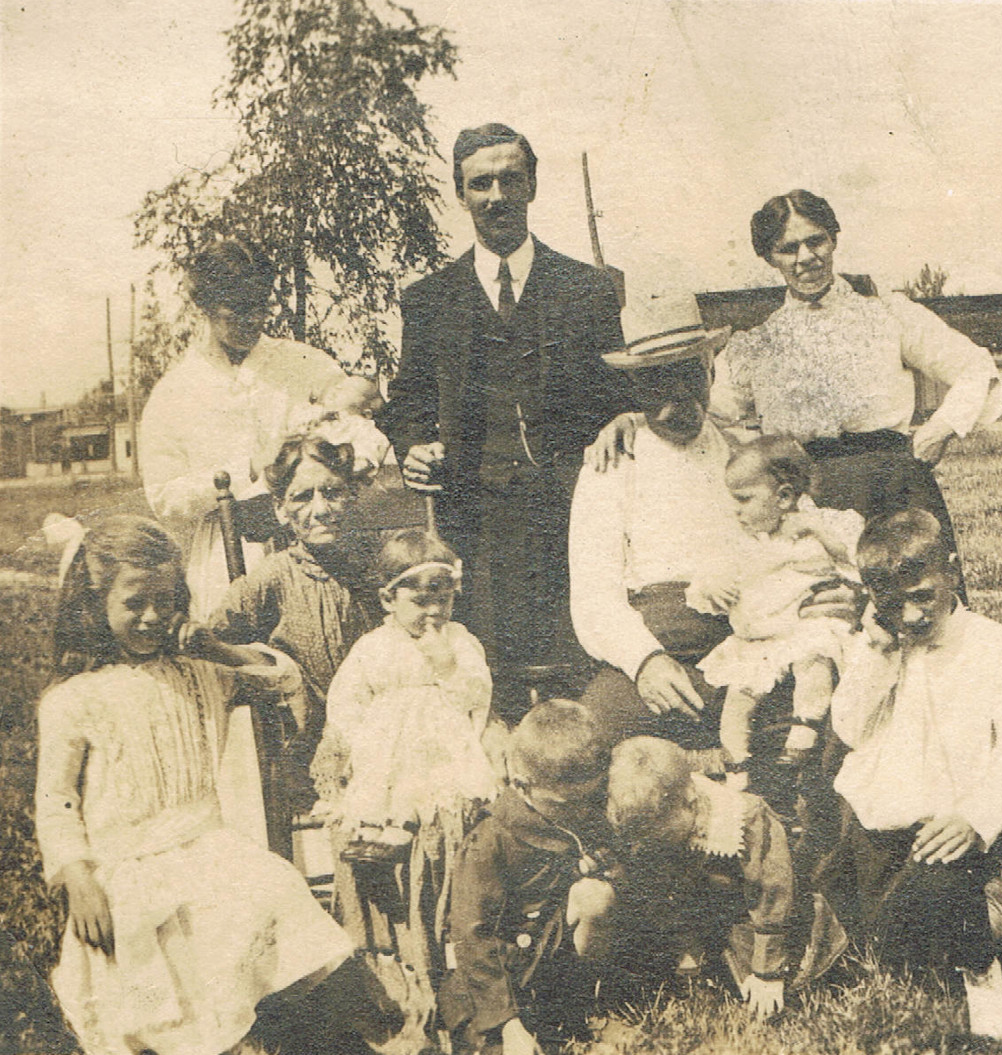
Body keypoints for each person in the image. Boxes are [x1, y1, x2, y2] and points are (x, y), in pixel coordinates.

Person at [33, 516, 359, 1055]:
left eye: (166, 600)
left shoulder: (199, 672)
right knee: (166, 1000)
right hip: (129, 867)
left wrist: (219, 649)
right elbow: (56, 801)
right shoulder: (74, 698)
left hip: (207, 849)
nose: (154, 616)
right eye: (135, 602)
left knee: (269, 896)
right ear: (94, 605)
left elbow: (286, 680)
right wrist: (78, 876)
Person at [591, 191, 1002, 596]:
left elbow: (976, 368)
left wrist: (940, 430)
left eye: (816, 240)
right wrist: (635, 419)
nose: (806, 257)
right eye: (788, 248)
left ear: (834, 238)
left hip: (892, 485)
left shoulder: (887, 314)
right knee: (830, 617)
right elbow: (703, 407)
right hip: (811, 496)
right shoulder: (760, 342)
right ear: (769, 258)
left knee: (919, 607)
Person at [379, 123, 632, 720]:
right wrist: (411, 445)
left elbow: (620, 392)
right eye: (481, 184)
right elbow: (408, 399)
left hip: (575, 515)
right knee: (488, 673)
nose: (496, 196)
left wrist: (623, 416)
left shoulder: (586, 290)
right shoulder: (429, 300)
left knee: (582, 662)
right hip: (477, 522)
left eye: (510, 180)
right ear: (461, 195)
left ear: (533, 185)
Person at [570, 296, 857, 753]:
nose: (671, 407)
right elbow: (592, 597)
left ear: (709, 369)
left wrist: (844, 592)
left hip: (767, 633)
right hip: (665, 646)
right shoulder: (613, 462)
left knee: (845, 721)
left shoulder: (745, 450)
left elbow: (810, 532)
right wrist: (645, 662)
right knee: (588, 746)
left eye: (686, 379)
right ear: (632, 387)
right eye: (653, 387)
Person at [828, 509, 1002, 1040]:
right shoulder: (880, 644)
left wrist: (974, 817)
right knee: (886, 946)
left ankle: (982, 974)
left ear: (951, 570)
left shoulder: (992, 644)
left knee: (949, 881)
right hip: (887, 822)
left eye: (923, 594)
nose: (912, 614)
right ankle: (949, 917)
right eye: (893, 602)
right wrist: (878, 652)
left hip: (964, 821)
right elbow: (850, 728)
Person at [139, 238, 387, 620]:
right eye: (235, 309)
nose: (252, 319)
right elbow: (165, 498)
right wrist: (248, 469)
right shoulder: (175, 392)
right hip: (229, 555)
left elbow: (360, 422)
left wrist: (351, 463)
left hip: (321, 542)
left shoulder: (302, 362)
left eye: (259, 306)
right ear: (203, 306)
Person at [317, 529, 498, 1021]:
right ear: (388, 599)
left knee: (444, 815)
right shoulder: (373, 648)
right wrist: (365, 749)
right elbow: (346, 703)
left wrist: (447, 669)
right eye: (420, 601)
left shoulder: (461, 643)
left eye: (443, 598)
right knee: (383, 814)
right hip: (386, 764)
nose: (434, 611)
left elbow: (476, 700)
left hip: (443, 759)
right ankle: (394, 940)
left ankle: (446, 935)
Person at [209, 433, 383, 857]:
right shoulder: (272, 579)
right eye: (302, 497)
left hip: (384, 736)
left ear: (352, 495)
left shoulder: (377, 567)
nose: (320, 509)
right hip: (312, 748)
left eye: (333, 493)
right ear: (280, 509)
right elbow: (211, 639)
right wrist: (272, 666)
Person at [606, 736, 846, 1022]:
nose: (655, 843)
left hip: (761, 918)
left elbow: (772, 892)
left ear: (690, 799)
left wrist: (768, 971)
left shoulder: (743, 821)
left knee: (768, 1001)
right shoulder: (662, 824)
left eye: (663, 835)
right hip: (708, 917)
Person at [440, 699, 618, 1055]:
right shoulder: (489, 840)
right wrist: (508, 1025)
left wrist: (604, 863)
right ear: (521, 785)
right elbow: (472, 938)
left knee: (597, 896)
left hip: (549, 957)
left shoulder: (579, 813)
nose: (583, 812)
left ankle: (587, 1005)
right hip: (494, 976)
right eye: (567, 805)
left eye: (591, 798)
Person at [687, 436, 864, 782]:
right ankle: (736, 762)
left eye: (744, 499)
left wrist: (816, 529)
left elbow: (856, 559)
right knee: (739, 697)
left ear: (784, 497)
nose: (736, 510)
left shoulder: (823, 528)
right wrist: (712, 586)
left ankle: (805, 728)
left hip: (806, 627)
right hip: (760, 640)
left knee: (814, 659)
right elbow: (705, 578)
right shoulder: (741, 541)